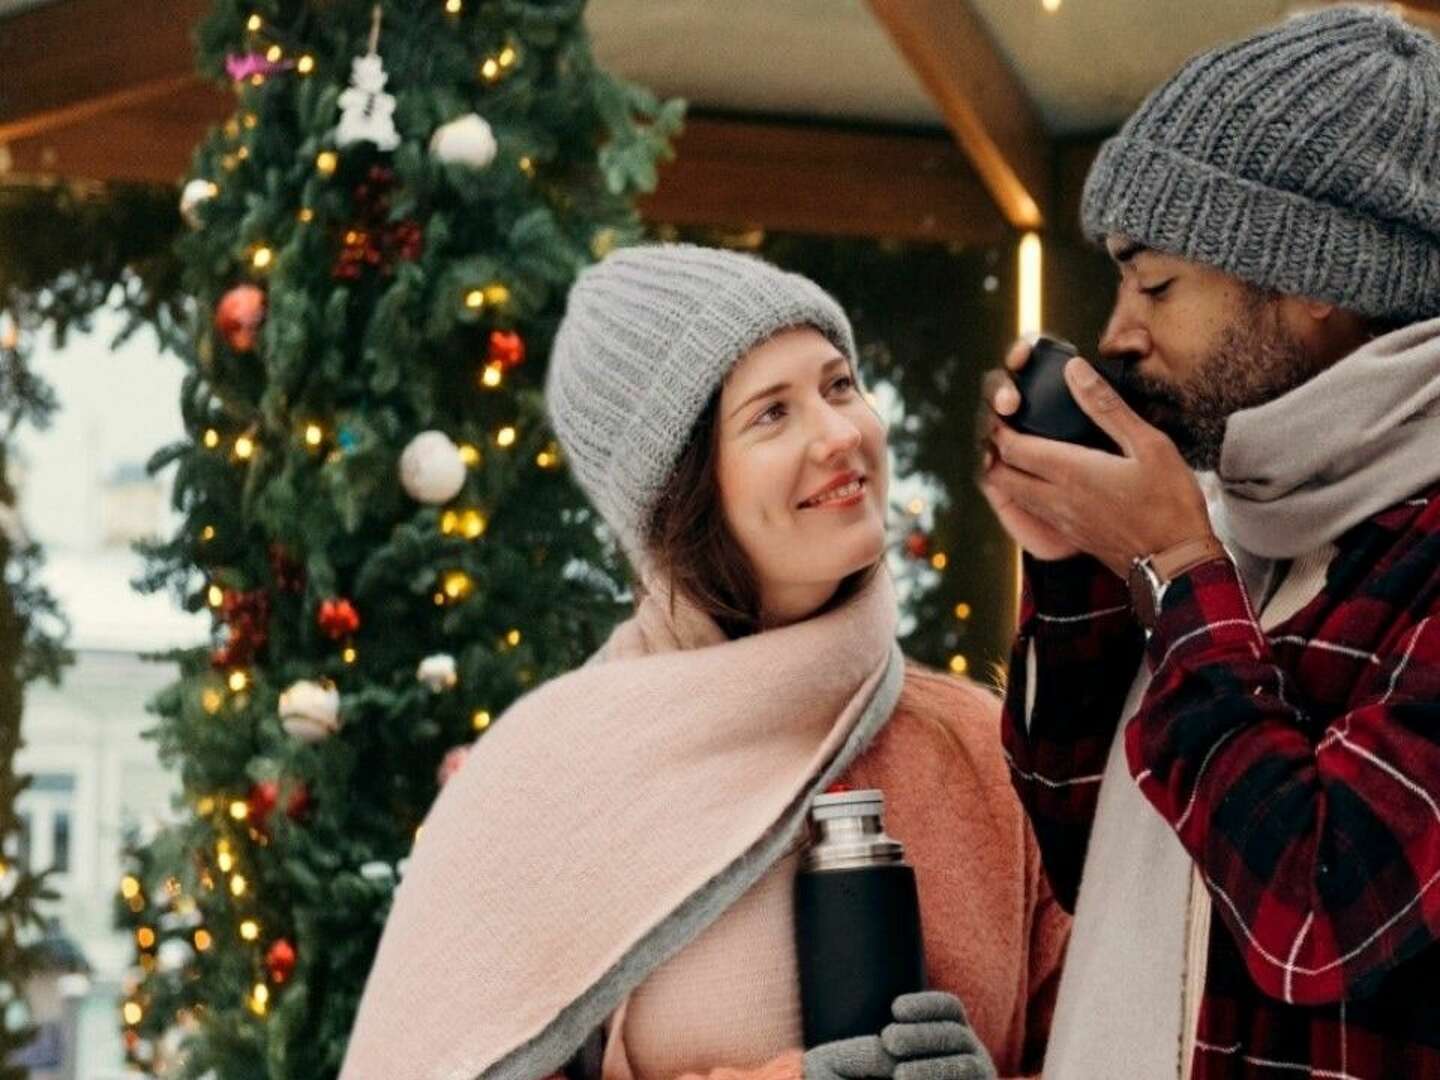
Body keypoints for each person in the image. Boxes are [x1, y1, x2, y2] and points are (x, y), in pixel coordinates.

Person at [341, 244, 1067, 1080]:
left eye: (839, 385)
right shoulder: (551, 780)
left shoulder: (987, 752)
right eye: (771, 413)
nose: (840, 434)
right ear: (679, 493)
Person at [978, 7, 1440, 1079]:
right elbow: (1089, 853)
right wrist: (1080, 561)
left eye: (1159, 284)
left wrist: (1182, 575)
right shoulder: (1237, 514)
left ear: (1320, 279)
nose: (1115, 334)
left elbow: (1316, 912)